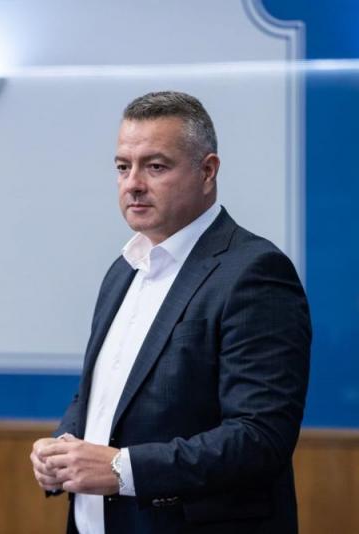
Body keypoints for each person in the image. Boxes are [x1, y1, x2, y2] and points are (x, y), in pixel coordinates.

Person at [30, 91, 311, 534]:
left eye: (155, 167)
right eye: (123, 167)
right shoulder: (123, 269)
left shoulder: (254, 272)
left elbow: (259, 438)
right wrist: (62, 448)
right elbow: (101, 393)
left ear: (208, 171)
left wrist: (122, 469)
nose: (133, 183)